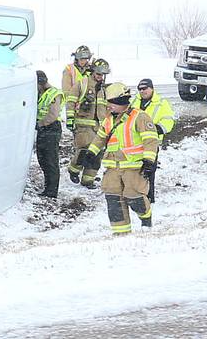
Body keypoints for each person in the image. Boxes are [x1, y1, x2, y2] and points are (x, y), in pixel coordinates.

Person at [83, 82, 159, 234]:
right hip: (113, 168)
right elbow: (100, 138)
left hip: (134, 167)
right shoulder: (109, 119)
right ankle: (121, 233)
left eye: (110, 103)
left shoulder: (140, 117)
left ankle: (146, 217)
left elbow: (150, 140)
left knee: (134, 197)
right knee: (113, 198)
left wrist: (149, 161)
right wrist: (90, 153)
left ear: (120, 102)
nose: (108, 106)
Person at [67, 58, 110, 187]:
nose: (100, 77)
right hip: (83, 126)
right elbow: (71, 101)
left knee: (97, 154)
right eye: (98, 74)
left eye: (102, 75)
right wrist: (70, 119)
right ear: (93, 72)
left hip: (99, 127)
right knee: (83, 151)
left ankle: (88, 180)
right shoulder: (82, 84)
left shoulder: (104, 89)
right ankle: (73, 170)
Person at [131, 78, 175, 203]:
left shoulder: (161, 103)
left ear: (152, 88)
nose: (142, 91)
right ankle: (136, 194)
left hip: (151, 143)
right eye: (140, 89)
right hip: (134, 142)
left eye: (145, 88)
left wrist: (155, 130)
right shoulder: (134, 102)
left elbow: (169, 121)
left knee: (149, 170)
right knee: (134, 169)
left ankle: (149, 197)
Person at [35, 70, 64, 198]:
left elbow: (52, 115)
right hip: (43, 129)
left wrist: (39, 124)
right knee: (42, 159)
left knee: (50, 160)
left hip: (51, 129)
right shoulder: (41, 93)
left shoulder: (54, 94)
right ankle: (48, 187)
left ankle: (52, 191)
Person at [62, 45, 94, 130]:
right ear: (76, 58)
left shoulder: (92, 70)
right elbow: (67, 91)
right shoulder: (69, 70)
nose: (83, 61)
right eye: (81, 59)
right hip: (75, 105)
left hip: (89, 104)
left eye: (86, 59)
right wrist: (71, 109)